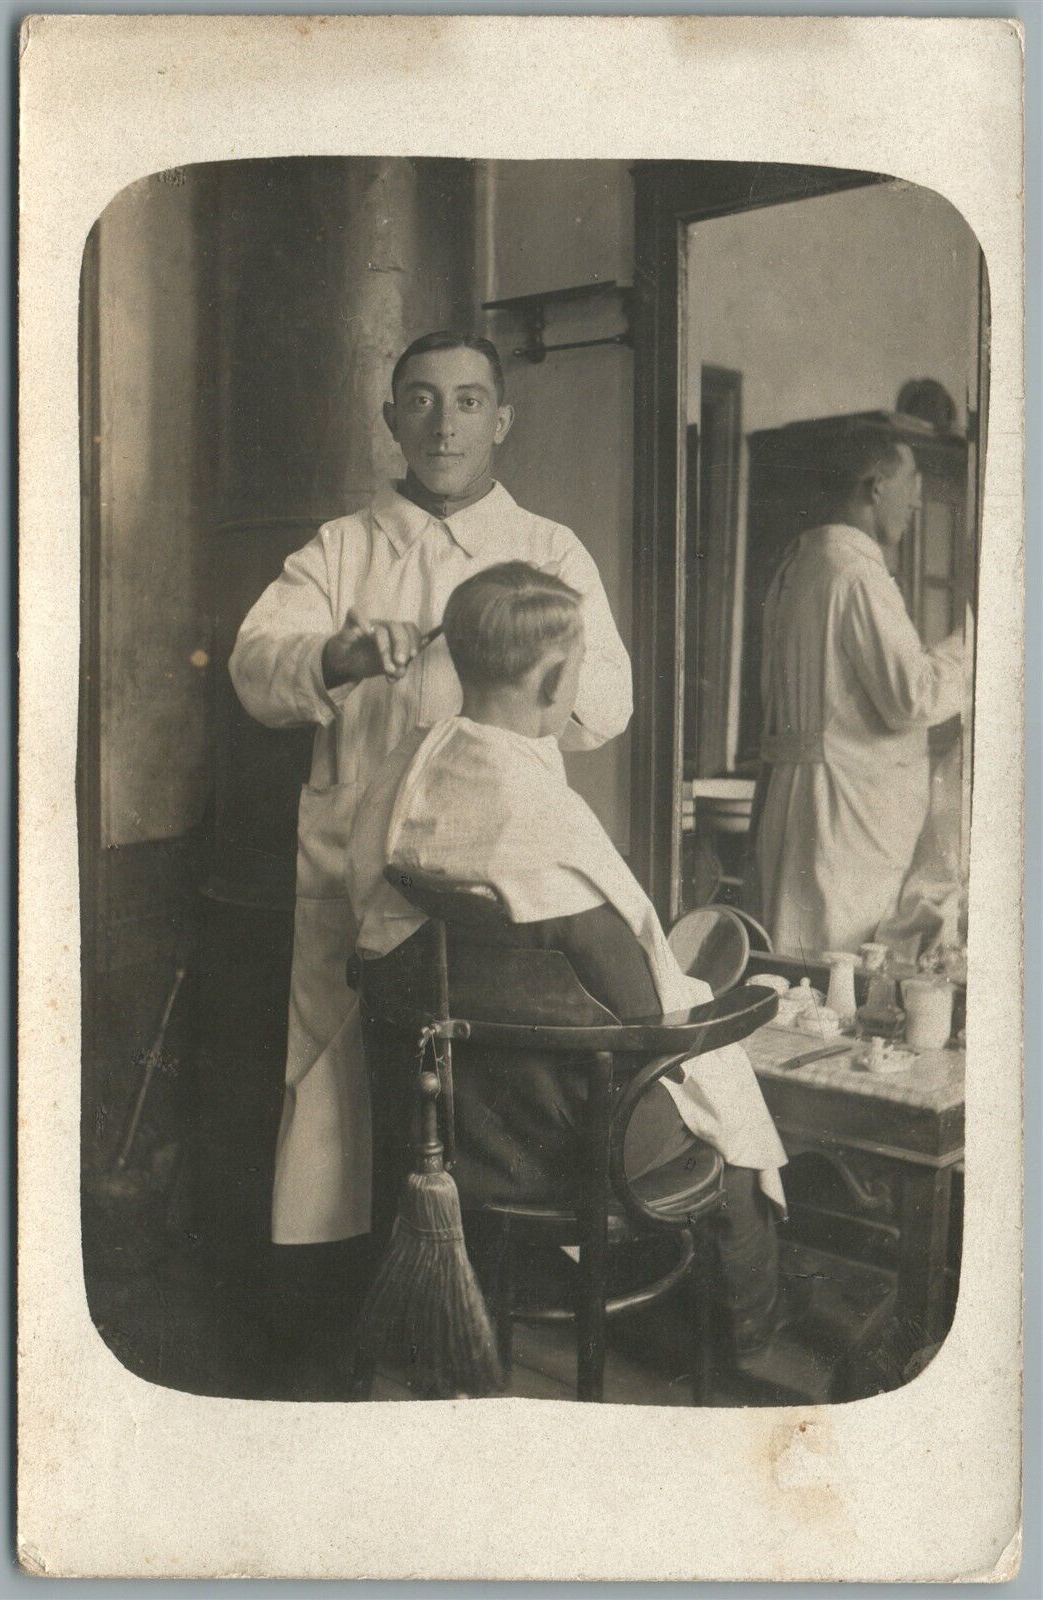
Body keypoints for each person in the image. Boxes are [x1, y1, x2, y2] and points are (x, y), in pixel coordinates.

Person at [229, 333, 632, 1247]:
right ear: (390, 419)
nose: (443, 423)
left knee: (485, 1090)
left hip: (494, 874)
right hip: (354, 863)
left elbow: (608, 702)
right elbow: (255, 671)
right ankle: (353, 1285)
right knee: (344, 1085)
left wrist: (520, 651)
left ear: (501, 419)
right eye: (419, 399)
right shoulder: (341, 549)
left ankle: (468, 1270)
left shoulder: (548, 550)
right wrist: (341, 653)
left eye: (466, 401)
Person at [348, 562, 791, 1358]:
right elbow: (649, 1010)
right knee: (727, 1127)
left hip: (448, 1119)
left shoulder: (403, 775)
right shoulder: (540, 816)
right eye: (578, 667)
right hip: (572, 1141)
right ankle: (746, 1343)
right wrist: (739, 1001)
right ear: (553, 680)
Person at [750, 426, 966, 959]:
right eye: (911, 482)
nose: (917, 499)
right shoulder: (856, 573)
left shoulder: (800, 564)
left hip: (800, 797)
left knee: (795, 955)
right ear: (876, 487)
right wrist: (970, 644)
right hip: (840, 812)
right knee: (836, 966)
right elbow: (913, 697)